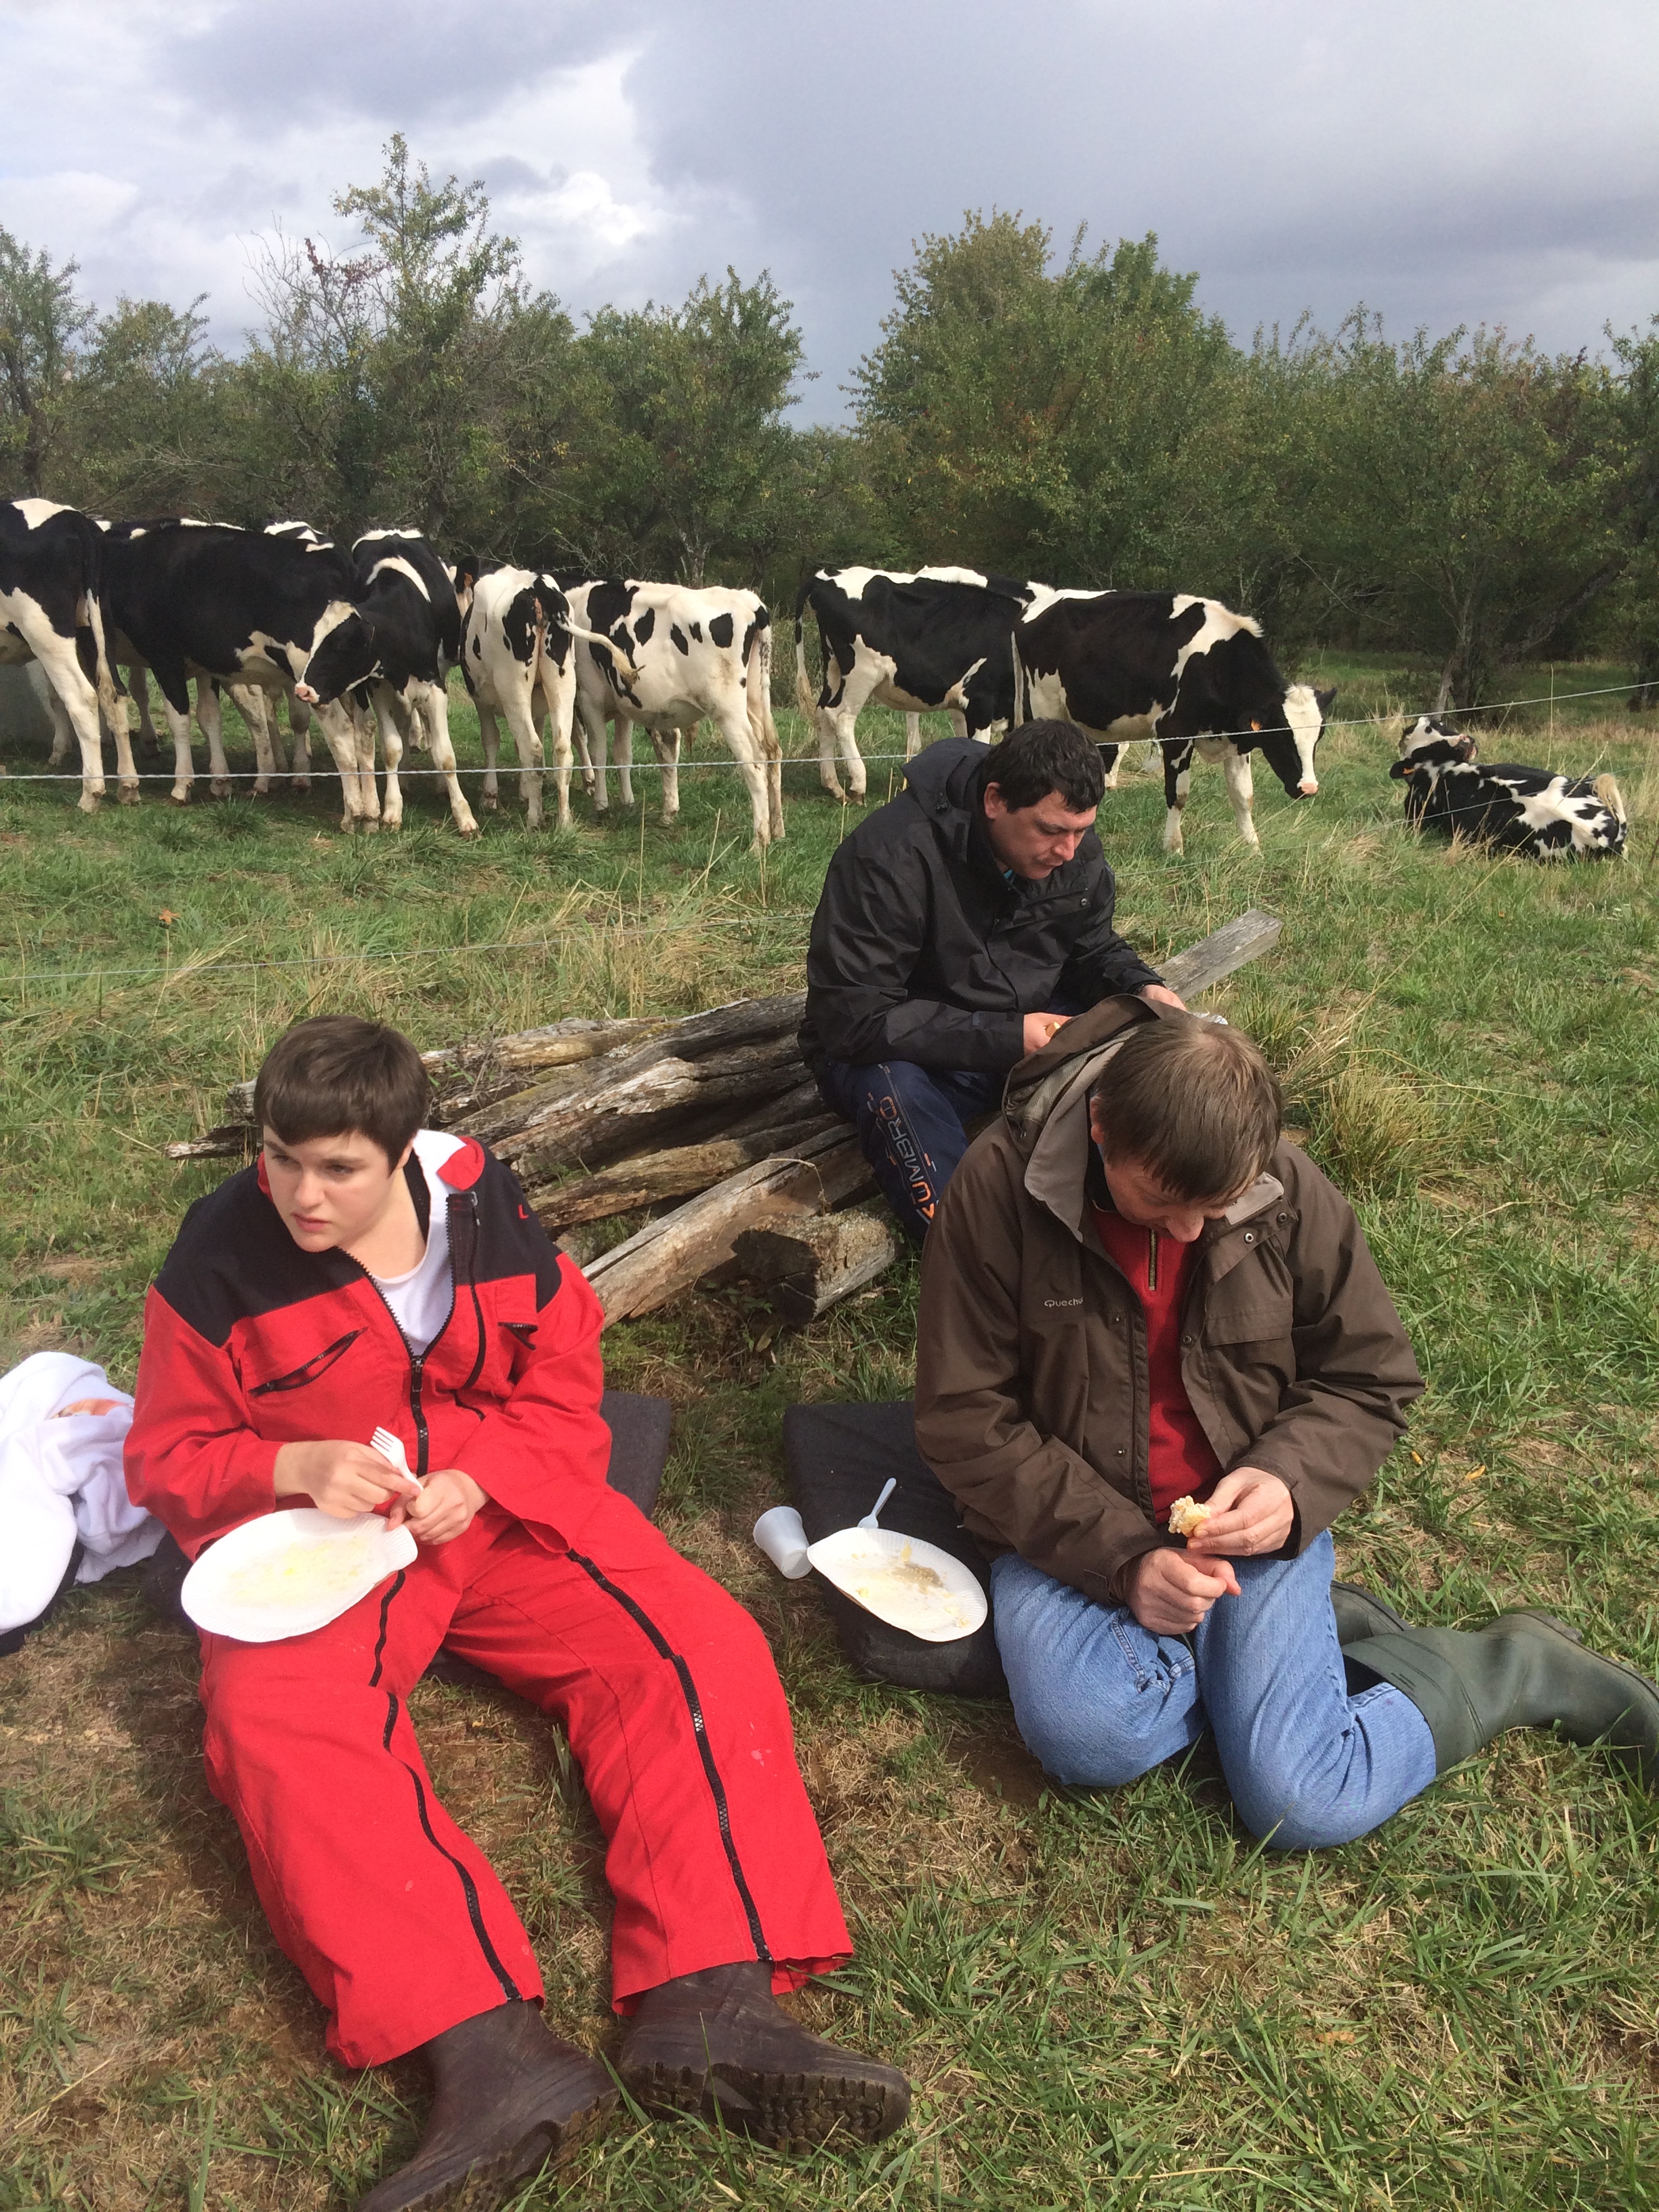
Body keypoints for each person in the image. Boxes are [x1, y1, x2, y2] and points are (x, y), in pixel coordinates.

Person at [125, 1015, 908, 2212]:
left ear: (404, 1151)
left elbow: (563, 1381)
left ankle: (711, 1996)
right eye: (280, 1155)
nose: (298, 1191)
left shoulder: (486, 1206)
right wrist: (292, 1468)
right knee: (271, 1716)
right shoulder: (218, 1254)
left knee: (692, 1641)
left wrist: (482, 1466)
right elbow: (169, 1454)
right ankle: (487, 2054)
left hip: (492, 1508)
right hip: (327, 1543)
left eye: (335, 1166)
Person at [912, 1000, 1659, 1845]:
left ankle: (1511, 1668)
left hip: (1246, 1532)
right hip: (1065, 1525)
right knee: (1090, 1736)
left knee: (1303, 1803)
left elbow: (1369, 1377)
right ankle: (1274, 1667)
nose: (1190, 1229)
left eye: (1216, 1204)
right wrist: (1123, 1560)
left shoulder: (1287, 1187)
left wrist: (1287, 1484)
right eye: (1160, 1201)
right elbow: (964, 1417)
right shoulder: (997, 1186)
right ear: (1100, 1125)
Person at [799, 720, 1183, 1242]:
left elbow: (1090, 949)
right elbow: (853, 1019)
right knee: (890, 1085)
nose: (1069, 851)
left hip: (1012, 1026)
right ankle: (974, 1248)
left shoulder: (1072, 853)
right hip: (906, 1052)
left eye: (1082, 830)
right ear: (995, 800)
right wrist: (1008, 1036)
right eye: (1050, 831)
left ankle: (1151, 1198)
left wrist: (1143, 987)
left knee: (1130, 1029)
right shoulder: (890, 857)